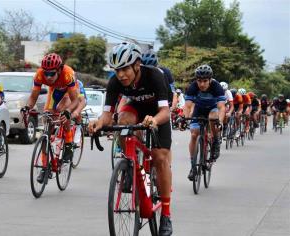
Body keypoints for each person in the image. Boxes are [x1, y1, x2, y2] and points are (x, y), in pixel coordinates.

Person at [89, 42, 173, 236]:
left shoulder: (155, 76)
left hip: (157, 113)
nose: (121, 75)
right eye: (117, 70)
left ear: (137, 65)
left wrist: (154, 120)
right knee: (123, 121)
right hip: (136, 108)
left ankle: (166, 214)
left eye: (125, 68)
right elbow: (108, 116)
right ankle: (132, 164)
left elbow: (165, 112)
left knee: (160, 158)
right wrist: (98, 123)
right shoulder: (114, 82)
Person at [24, 53, 79, 182]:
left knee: (63, 111)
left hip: (68, 91)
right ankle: (45, 167)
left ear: (59, 69)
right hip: (54, 90)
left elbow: (75, 100)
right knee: (48, 116)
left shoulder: (67, 74)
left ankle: (69, 144)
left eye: (52, 73)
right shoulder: (39, 74)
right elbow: (33, 97)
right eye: (46, 73)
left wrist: (68, 112)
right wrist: (27, 108)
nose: (48, 77)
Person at [180, 65, 225, 181]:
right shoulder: (193, 87)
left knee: (212, 117)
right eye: (199, 81)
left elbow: (221, 107)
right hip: (199, 110)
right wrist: (184, 118)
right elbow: (188, 106)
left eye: (205, 81)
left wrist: (220, 121)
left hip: (212, 109)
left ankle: (215, 141)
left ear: (210, 80)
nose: (202, 84)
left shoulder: (216, 87)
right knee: (194, 134)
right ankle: (193, 166)